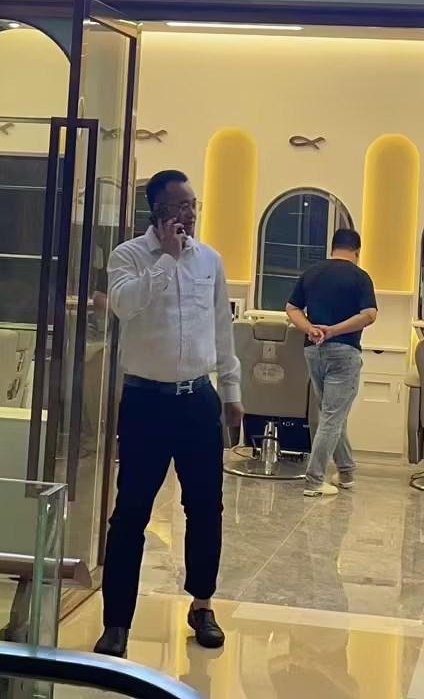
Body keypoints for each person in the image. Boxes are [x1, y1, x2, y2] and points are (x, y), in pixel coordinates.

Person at [95, 169, 245, 659]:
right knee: (130, 513)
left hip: (198, 399)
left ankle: (202, 605)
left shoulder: (210, 261)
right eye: (180, 206)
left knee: (204, 508)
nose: (189, 213)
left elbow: (221, 329)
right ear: (156, 211)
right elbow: (124, 306)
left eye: (192, 204)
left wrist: (231, 390)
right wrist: (165, 258)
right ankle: (117, 622)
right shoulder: (128, 256)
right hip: (145, 402)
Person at [284, 227, 378, 498]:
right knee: (332, 417)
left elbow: (291, 308)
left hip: (313, 351)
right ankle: (314, 480)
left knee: (331, 414)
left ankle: (346, 471)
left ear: (332, 247)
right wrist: (335, 330)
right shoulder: (360, 277)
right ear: (357, 251)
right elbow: (370, 315)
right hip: (344, 352)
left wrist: (310, 328)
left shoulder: (312, 273)